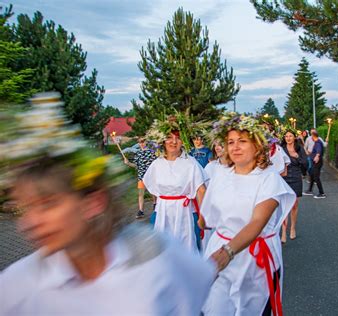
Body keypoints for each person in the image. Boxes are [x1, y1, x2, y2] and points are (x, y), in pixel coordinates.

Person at [0, 93, 214, 315]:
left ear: (94, 201)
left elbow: (200, 279)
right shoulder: (16, 288)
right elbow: (149, 186)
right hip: (165, 210)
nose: (28, 223)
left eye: (48, 204)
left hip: (181, 212)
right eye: (25, 207)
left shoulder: (154, 256)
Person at [200, 113, 296, 316]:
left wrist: (228, 252)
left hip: (253, 259)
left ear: (257, 145)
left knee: (251, 309)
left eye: (242, 141)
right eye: (230, 142)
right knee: (215, 308)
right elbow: (206, 216)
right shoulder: (220, 174)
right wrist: (203, 221)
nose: (235, 147)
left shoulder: (269, 179)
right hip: (219, 250)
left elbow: (257, 222)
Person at [143, 115, 207, 252]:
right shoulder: (157, 164)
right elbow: (151, 187)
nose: (173, 141)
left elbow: (201, 190)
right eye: (169, 137)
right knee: (163, 249)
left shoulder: (190, 163)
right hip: (163, 212)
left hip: (184, 212)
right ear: (162, 141)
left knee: (186, 249)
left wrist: (202, 217)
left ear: (183, 141)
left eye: (178, 138)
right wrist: (163, 202)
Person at [281, 128, 308, 242]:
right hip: (284, 178)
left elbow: (305, 163)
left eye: (290, 136)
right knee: (284, 206)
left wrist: (297, 157)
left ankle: (292, 228)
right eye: (286, 136)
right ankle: (283, 232)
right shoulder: (281, 149)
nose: (288, 138)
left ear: (294, 137)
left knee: (294, 205)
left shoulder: (299, 148)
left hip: (296, 177)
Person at [123, 137, 157, 219]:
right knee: (140, 194)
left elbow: (156, 164)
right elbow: (136, 165)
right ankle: (141, 211)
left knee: (153, 192)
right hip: (141, 176)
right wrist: (128, 163)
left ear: (146, 142)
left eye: (143, 141)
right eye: (139, 142)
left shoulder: (152, 152)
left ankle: (155, 204)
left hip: (150, 176)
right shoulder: (138, 153)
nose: (141, 143)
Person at [303, 130, 326, 198]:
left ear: (313, 136)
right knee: (312, 175)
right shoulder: (317, 141)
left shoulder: (318, 142)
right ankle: (310, 190)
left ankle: (322, 193)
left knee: (316, 177)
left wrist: (317, 156)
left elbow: (319, 150)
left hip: (317, 162)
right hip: (315, 161)